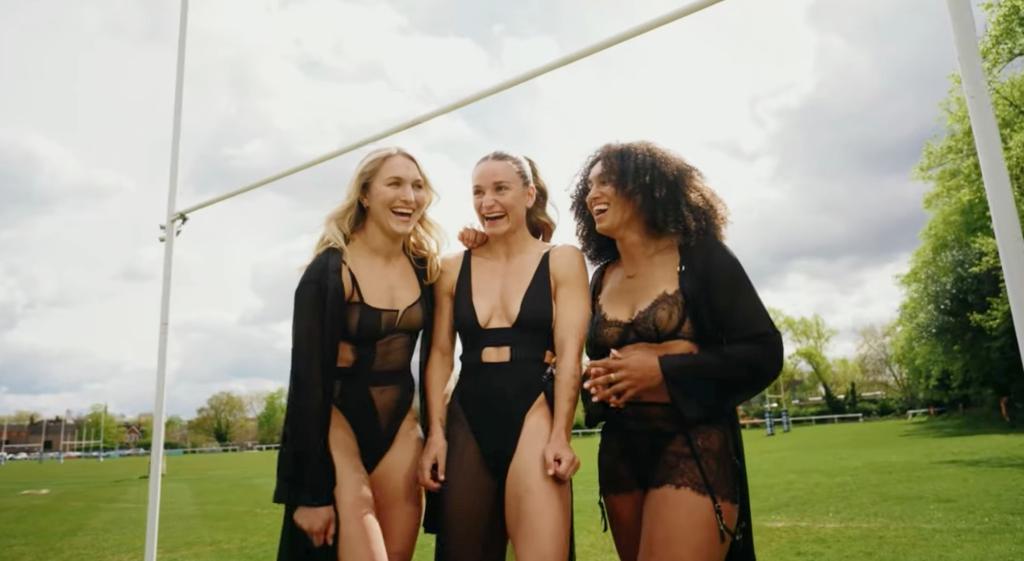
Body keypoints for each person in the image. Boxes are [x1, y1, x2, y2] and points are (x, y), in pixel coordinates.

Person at [575, 141, 783, 561]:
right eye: (589, 186)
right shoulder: (599, 279)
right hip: (620, 455)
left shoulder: (702, 256)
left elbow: (764, 351)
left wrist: (665, 368)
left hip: (692, 446)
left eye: (606, 182)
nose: (592, 194)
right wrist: (599, 379)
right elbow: (597, 366)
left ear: (646, 186)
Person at [273, 147, 444, 561]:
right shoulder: (330, 272)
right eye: (395, 183)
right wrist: (309, 494)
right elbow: (307, 382)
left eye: (418, 186)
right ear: (365, 195)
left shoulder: (427, 270)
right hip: (337, 420)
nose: (409, 196)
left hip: (401, 426)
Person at [418, 151, 589, 561]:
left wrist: (560, 434)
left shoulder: (562, 260)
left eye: (500, 189)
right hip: (468, 415)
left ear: (529, 194)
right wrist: (435, 434)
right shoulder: (451, 268)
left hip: (533, 410)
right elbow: (440, 354)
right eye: (478, 191)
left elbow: (569, 355)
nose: (486, 202)